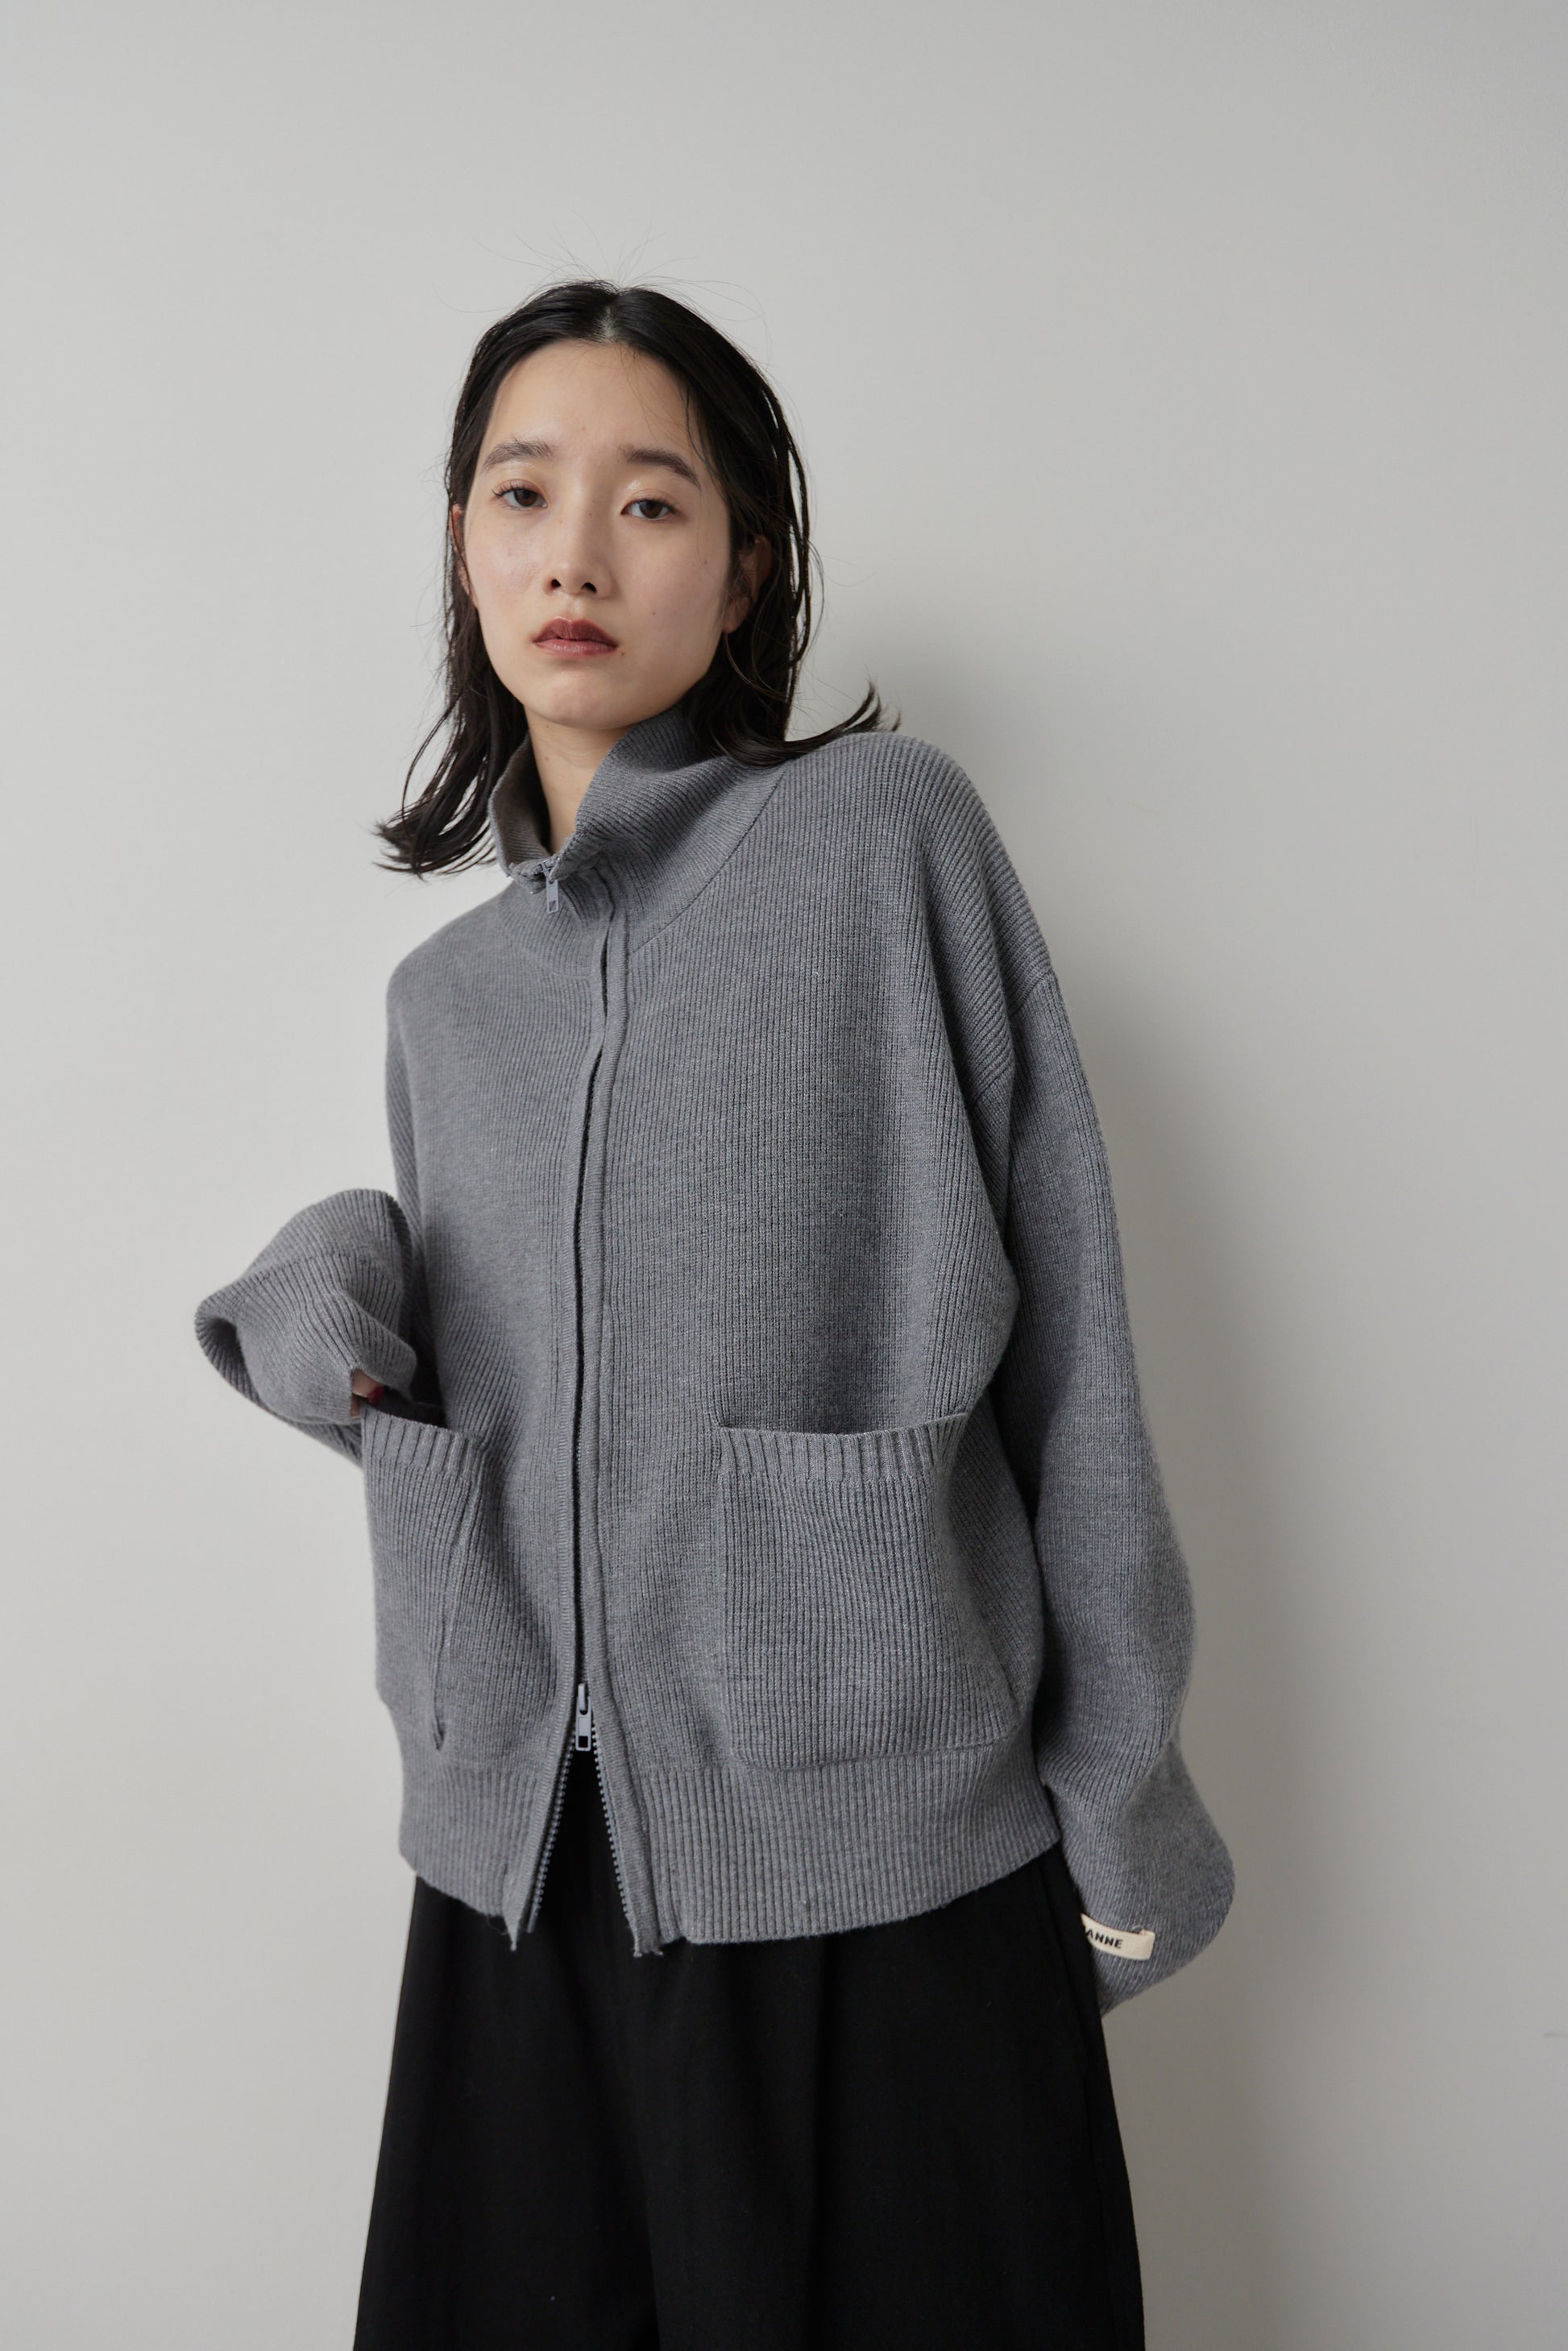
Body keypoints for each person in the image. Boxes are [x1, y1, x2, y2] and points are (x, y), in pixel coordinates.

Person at [193, 277, 1234, 2349]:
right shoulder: (446, 1002)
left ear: (747, 564)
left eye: (650, 500)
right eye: (522, 493)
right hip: (522, 1892)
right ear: (464, 544)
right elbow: (512, 1357)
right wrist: (335, 1270)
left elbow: (1071, 1336)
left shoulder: (883, 839)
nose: (574, 553)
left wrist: (1119, 1803)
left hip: (881, 1875)